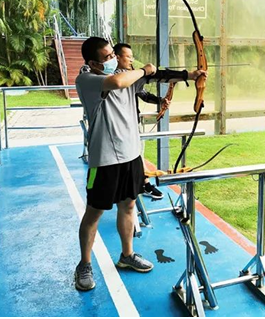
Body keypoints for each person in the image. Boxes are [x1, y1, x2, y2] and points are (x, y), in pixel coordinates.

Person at [74, 36, 205, 291]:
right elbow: (117, 82)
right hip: (104, 161)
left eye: (113, 54)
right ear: (93, 63)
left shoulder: (127, 76)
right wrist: (144, 70)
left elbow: (159, 76)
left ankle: (127, 255)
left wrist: (190, 75)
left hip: (131, 156)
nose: (113, 59)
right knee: (94, 213)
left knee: (129, 205)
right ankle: (84, 264)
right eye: (107, 57)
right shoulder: (87, 80)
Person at [114, 42, 168, 200]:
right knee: (128, 156)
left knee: (138, 153)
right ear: (117, 57)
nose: (131, 60)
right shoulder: (112, 77)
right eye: (128, 56)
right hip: (118, 125)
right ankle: (136, 185)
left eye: (132, 57)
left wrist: (160, 100)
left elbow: (142, 93)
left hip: (132, 122)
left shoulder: (131, 75)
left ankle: (143, 184)